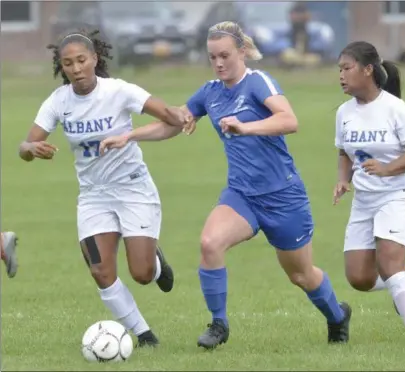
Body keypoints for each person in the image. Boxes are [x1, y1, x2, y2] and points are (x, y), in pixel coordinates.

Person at [100, 21, 352, 350]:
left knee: (301, 275)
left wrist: (246, 128)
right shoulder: (210, 92)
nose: (219, 63)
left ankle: (336, 316)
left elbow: (289, 121)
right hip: (242, 195)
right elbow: (174, 123)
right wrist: (129, 135)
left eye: (225, 56)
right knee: (209, 243)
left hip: (283, 196)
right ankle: (219, 324)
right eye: (212, 57)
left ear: (242, 52)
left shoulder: (258, 83)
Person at [18, 29, 190, 347]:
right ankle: (145, 336)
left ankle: (154, 263)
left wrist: (179, 114)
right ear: (62, 66)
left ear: (94, 59)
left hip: (133, 190)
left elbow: (169, 116)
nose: (76, 68)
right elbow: (25, 145)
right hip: (94, 198)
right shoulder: (58, 102)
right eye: (68, 63)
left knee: (140, 273)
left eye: (82, 60)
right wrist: (31, 149)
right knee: (100, 270)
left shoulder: (119, 91)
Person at [333, 41, 405, 343]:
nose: (341, 75)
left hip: (398, 195)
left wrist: (388, 170)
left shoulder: (394, 108)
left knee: (389, 265)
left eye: (346, 68)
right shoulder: (343, 112)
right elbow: (344, 152)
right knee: (359, 279)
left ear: (368, 70)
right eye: (339, 69)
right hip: (365, 200)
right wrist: (343, 180)